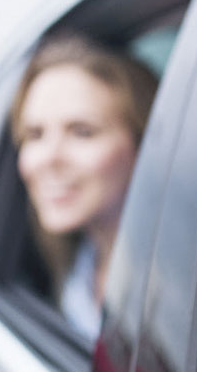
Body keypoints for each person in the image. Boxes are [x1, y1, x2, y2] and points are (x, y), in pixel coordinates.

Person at [9, 34, 157, 340]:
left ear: (144, 145)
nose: (49, 159)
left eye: (83, 132)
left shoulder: (189, 286)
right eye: (35, 134)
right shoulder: (76, 267)